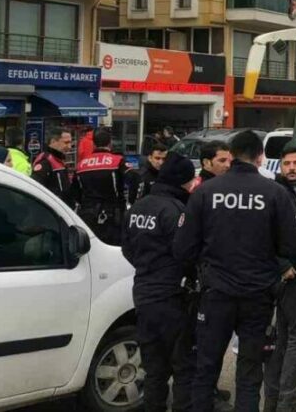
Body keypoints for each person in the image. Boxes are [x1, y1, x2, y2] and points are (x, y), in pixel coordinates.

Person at [173, 130, 296, 412]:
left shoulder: (206, 192)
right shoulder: (275, 193)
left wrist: (206, 267)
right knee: (249, 372)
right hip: (258, 296)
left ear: (231, 156)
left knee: (206, 368)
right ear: (260, 157)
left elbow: (182, 247)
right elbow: (295, 245)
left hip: (216, 293)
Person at [121, 153, 200, 412]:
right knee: (182, 366)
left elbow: (127, 248)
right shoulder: (176, 210)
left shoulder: (138, 207)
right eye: (190, 180)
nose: (193, 185)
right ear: (181, 182)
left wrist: (148, 269)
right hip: (171, 297)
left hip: (143, 293)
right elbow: (185, 253)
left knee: (153, 368)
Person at [264, 145, 296, 412]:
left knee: (283, 342)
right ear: (280, 166)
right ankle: (288, 403)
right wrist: (282, 264)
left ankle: (274, 402)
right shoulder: (277, 193)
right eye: (287, 164)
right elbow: (263, 233)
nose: (292, 168)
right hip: (289, 278)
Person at [74, 128, 130, 245]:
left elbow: (75, 192)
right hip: (113, 214)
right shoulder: (117, 160)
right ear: (110, 143)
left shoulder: (81, 165)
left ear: (93, 144)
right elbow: (135, 179)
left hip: (88, 214)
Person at [33, 127, 74, 207]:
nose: (69, 146)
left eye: (70, 143)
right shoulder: (45, 161)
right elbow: (36, 188)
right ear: (53, 142)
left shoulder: (58, 160)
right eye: (66, 143)